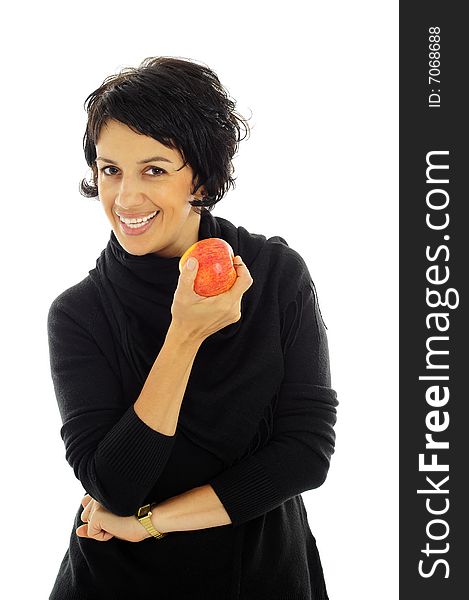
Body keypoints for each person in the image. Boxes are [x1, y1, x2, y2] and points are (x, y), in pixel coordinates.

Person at [47, 55, 339, 600]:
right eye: (111, 170)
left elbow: (305, 452)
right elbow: (114, 485)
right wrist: (184, 336)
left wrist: (150, 522)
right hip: (121, 583)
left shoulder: (276, 274)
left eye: (153, 170)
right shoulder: (79, 314)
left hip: (264, 576)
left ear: (200, 176)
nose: (125, 198)